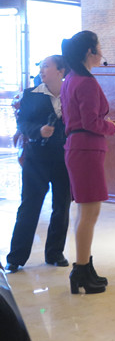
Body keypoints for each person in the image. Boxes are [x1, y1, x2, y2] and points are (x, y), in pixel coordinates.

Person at [60, 31, 115, 295]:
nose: (101, 51)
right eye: (99, 46)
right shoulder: (86, 82)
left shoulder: (71, 78)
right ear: (89, 52)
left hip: (78, 147)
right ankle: (81, 270)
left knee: (85, 212)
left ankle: (84, 266)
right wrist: (112, 127)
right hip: (86, 148)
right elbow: (91, 122)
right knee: (89, 213)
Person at [5, 56, 71, 273]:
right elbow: (22, 123)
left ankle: (55, 253)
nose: (42, 71)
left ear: (61, 71)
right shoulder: (31, 94)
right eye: (41, 67)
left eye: (46, 67)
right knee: (29, 206)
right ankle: (16, 257)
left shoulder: (71, 93)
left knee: (61, 206)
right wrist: (38, 131)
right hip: (36, 158)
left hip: (64, 158)